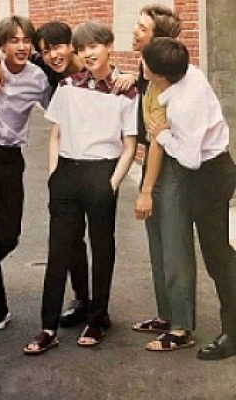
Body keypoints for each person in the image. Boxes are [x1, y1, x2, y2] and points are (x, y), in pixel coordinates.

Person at [24, 21, 137, 355]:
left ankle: (98, 318)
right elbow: (56, 133)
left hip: (102, 173)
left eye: (94, 46)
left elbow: (129, 145)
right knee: (58, 251)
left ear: (109, 47)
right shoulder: (67, 85)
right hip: (67, 173)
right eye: (83, 48)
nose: (88, 53)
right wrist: (54, 174)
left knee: (102, 249)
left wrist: (112, 184)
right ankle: (48, 328)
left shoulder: (126, 90)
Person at [145, 37, 236, 360]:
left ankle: (232, 334)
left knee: (218, 259)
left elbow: (190, 158)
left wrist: (162, 135)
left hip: (208, 177)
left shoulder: (184, 106)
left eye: (145, 62)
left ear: (159, 74)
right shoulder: (189, 74)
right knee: (220, 256)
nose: (141, 65)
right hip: (214, 171)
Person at [0, 15, 51, 330]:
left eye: (26, 40)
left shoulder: (37, 78)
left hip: (11, 159)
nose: (21, 46)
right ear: (1, 45)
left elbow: (58, 106)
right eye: (14, 40)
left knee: (9, 237)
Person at [127, 5, 197, 351]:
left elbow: (158, 141)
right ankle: (166, 315)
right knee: (157, 246)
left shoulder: (170, 83)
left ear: (159, 41)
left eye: (143, 29)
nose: (135, 32)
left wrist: (146, 189)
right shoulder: (148, 73)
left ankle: (181, 328)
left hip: (172, 168)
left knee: (175, 248)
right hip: (155, 166)